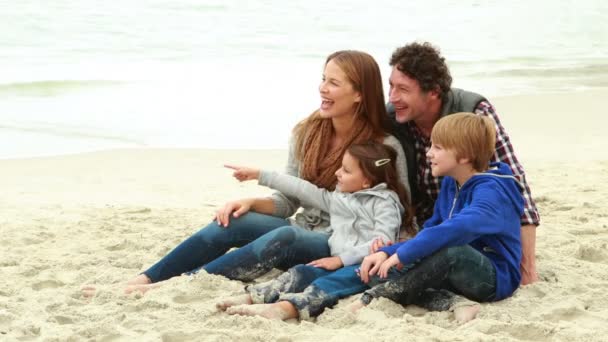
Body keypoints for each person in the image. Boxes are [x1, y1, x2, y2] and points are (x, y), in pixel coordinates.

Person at [112, 50, 411, 294]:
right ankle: (148, 278)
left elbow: (397, 211)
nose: (322, 87)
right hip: (301, 227)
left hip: (338, 244)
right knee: (231, 221)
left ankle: (184, 283)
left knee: (287, 235)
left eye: (333, 82)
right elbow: (287, 202)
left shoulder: (384, 148)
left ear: (359, 94)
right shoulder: (306, 133)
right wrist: (252, 204)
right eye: (323, 79)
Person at [385, 42, 540, 285]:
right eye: (391, 86)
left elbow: (516, 188)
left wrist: (527, 267)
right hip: (427, 226)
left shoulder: (473, 114)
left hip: (468, 233)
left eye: (402, 89)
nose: (393, 98)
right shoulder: (392, 116)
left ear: (434, 91)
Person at [354, 112, 525, 323]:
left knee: (453, 252)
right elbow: (433, 228)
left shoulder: (493, 192)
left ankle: (377, 297)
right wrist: (388, 252)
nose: (428, 153)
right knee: (376, 271)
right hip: (450, 270)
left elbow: (458, 228)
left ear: (464, 156)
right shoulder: (451, 182)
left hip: (493, 277)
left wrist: (404, 253)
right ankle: (454, 302)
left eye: (437, 148)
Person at [216, 141, 415, 320]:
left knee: (332, 282)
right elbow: (303, 189)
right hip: (336, 261)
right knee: (303, 271)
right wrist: (261, 175)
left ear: (366, 181)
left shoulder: (385, 203)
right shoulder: (339, 199)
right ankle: (255, 296)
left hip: (364, 268)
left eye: (346, 170)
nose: (338, 173)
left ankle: (283, 309)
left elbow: (383, 242)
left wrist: (341, 260)